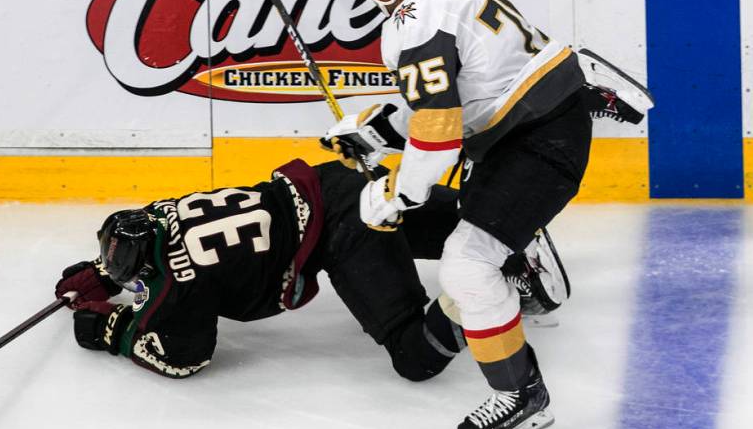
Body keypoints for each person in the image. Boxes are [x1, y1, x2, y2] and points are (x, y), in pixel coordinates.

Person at [321, 0, 652, 429]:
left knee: (466, 264)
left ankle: (521, 394)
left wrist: (397, 195)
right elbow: (457, 98)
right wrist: (373, 131)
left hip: (539, 141)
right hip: (526, 119)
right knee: (476, 234)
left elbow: (438, 135)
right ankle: (521, 271)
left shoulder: (411, 27)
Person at [55, 159, 569, 386]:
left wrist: (111, 330)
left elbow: (185, 356)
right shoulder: (158, 211)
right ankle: (507, 236)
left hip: (342, 234)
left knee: (415, 358)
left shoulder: (177, 286)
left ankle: (477, 290)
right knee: (451, 223)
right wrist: (106, 273)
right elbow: (141, 250)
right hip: (335, 184)